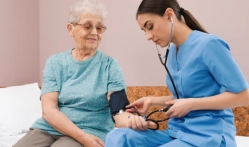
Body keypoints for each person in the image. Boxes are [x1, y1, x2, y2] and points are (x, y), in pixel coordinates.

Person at [105, 0, 249, 146]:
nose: (148, 36)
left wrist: (191, 105)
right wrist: (151, 100)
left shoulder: (209, 45)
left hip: (209, 135)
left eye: (150, 27)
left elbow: (244, 96)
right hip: (178, 132)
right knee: (117, 137)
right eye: (144, 31)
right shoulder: (173, 52)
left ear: (169, 15)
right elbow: (185, 97)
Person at [13, 0, 127, 147]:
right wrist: (82, 138)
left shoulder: (110, 66)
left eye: (99, 28)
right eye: (87, 26)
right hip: (49, 128)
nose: (94, 32)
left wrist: (133, 120)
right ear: (70, 29)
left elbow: (119, 109)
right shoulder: (55, 63)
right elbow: (49, 110)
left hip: (91, 130)